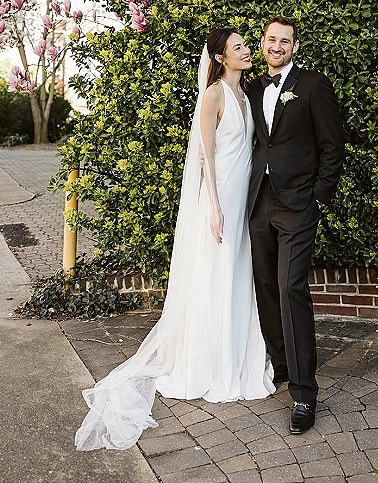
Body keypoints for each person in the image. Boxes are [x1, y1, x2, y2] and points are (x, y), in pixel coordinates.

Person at [75, 28, 275, 451]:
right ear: (221, 58)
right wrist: (216, 207)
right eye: (238, 47)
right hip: (219, 201)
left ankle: (239, 358)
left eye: (244, 45)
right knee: (216, 277)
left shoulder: (247, 94)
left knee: (240, 276)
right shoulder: (214, 97)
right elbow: (205, 156)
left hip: (246, 200)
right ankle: (210, 364)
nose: (246, 50)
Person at [247, 17, 345, 435]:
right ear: (263, 43)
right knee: (266, 286)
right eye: (271, 40)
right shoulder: (251, 88)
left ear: (295, 47)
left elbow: (333, 146)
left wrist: (317, 198)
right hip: (258, 203)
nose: (277, 46)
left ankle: (305, 393)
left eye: (285, 41)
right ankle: (283, 367)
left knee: (291, 287)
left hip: (298, 205)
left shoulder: (313, 86)